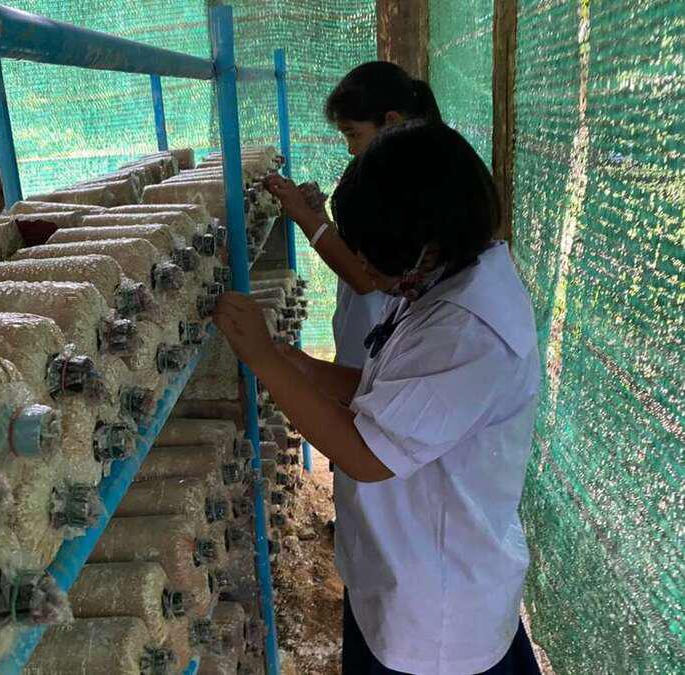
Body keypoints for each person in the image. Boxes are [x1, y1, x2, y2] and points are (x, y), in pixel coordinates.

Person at [214, 121, 541, 675]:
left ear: (426, 245)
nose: (361, 266)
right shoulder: (444, 280)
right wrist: (295, 362)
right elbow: (385, 389)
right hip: (401, 572)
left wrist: (265, 361)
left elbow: (366, 454)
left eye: (371, 255)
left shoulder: (467, 330)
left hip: (434, 611)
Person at [265, 61, 441, 369]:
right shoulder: (390, 172)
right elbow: (360, 256)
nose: (350, 149)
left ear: (391, 121)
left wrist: (305, 217)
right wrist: (317, 216)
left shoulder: (407, 184)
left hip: (381, 346)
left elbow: (365, 278)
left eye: (353, 134)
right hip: (371, 344)